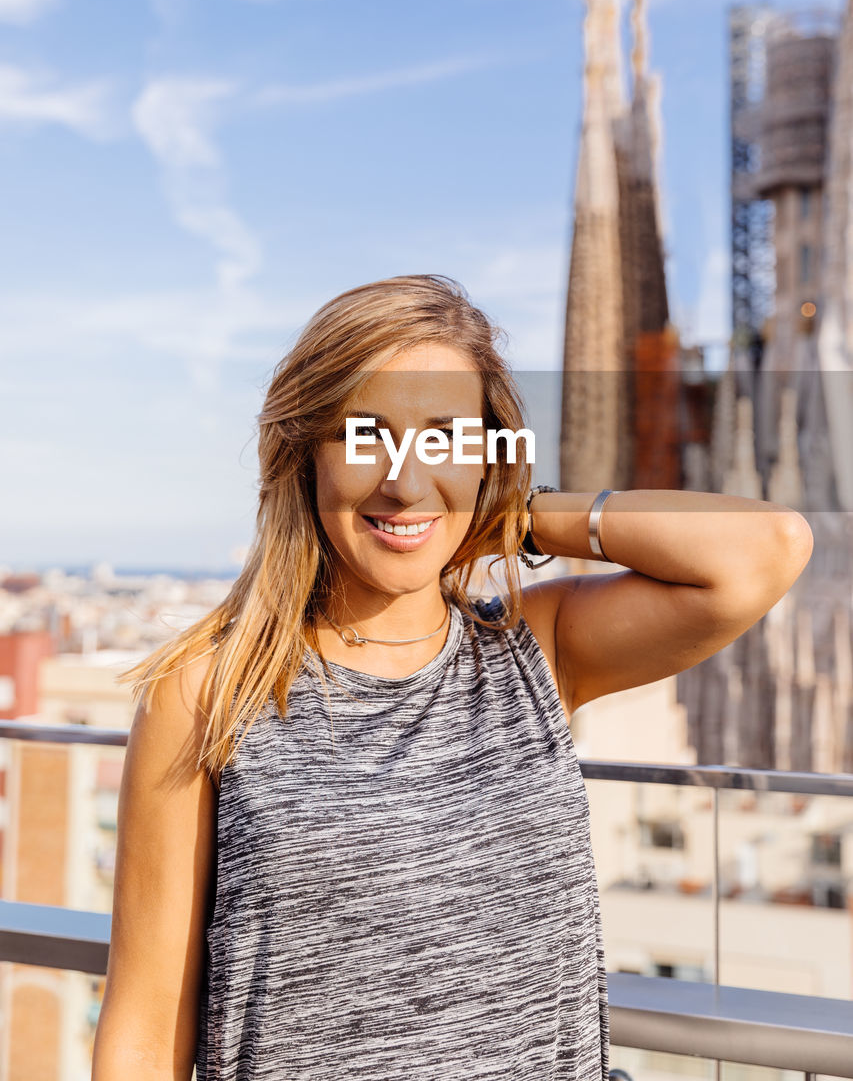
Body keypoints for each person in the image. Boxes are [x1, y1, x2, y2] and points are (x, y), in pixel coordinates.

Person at [91, 274, 813, 1081]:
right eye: (367, 436)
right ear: (306, 456)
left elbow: (766, 549)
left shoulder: (533, 648)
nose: (404, 480)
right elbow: (145, 1032)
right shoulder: (206, 691)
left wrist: (510, 511)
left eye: (443, 439)